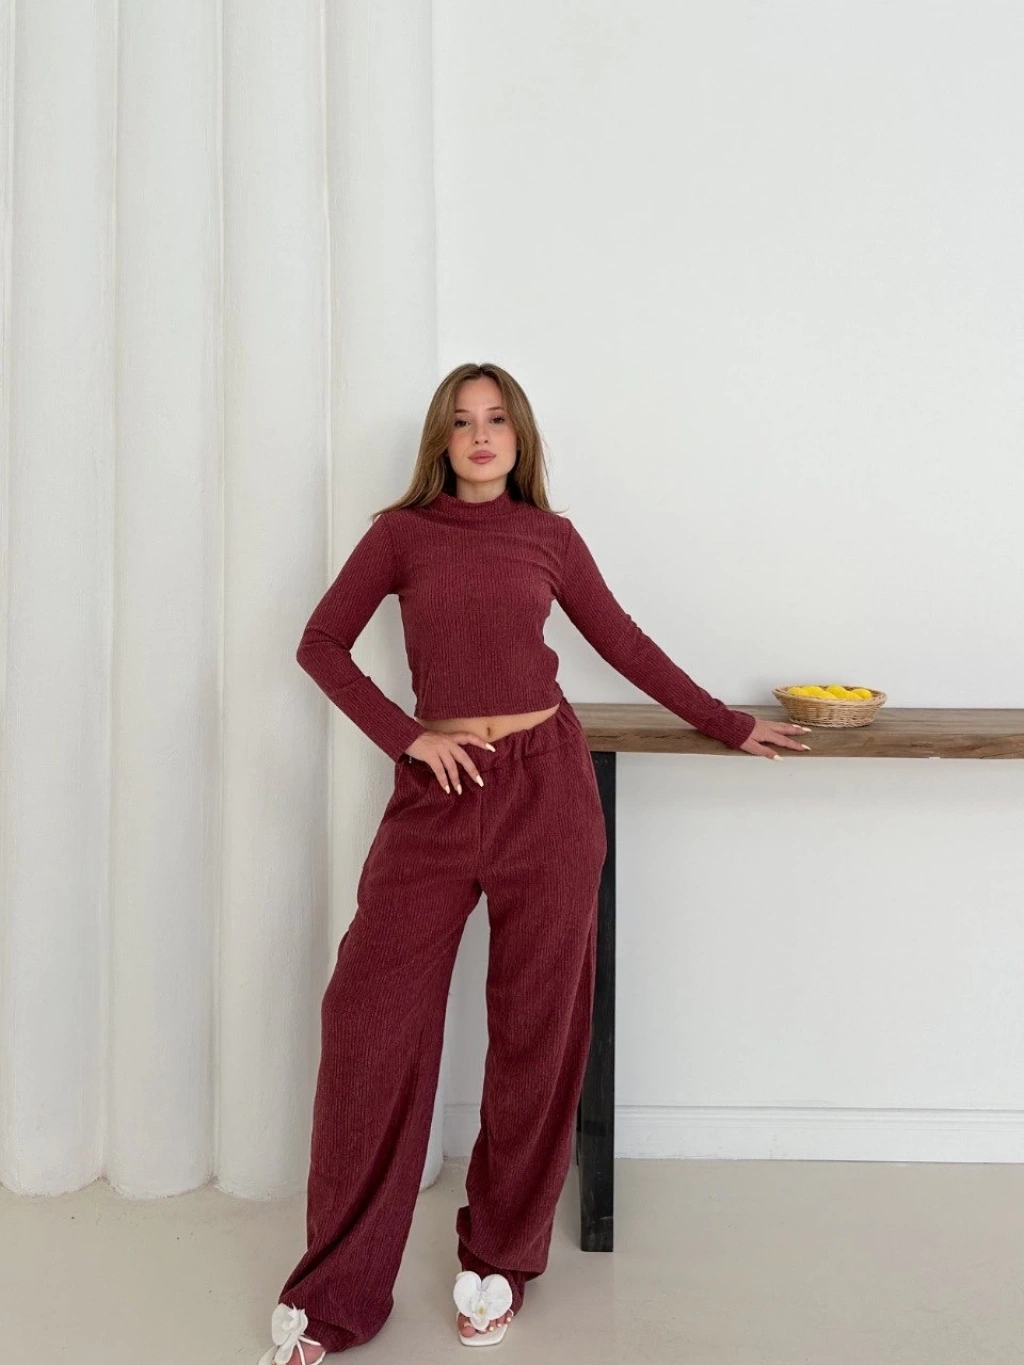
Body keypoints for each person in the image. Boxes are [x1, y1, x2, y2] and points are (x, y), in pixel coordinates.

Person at [256, 361, 810, 1364]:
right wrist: (408, 737)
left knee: (536, 1033)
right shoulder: (399, 534)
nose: (481, 435)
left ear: (520, 438)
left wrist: (729, 724)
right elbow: (321, 642)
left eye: (498, 420)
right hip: (436, 796)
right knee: (368, 1021)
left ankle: (498, 1263)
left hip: (547, 791)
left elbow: (624, 642)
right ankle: (334, 1294)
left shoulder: (549, 538)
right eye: (463, 420)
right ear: (441, 438)